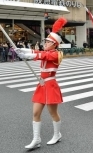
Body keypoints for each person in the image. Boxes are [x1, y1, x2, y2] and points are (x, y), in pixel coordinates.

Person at [16, 17, 67, 149]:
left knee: (53, 113)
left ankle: (57, 134)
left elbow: (40, 55)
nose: (45, 43)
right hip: (42, 85)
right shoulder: (46, 52)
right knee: (35, 113)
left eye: (49, 41)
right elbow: (38, 53)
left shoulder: (56, 54)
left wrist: (27, 55)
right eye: (46, 40)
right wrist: (22, 51)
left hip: (50, 85)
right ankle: (36, 139)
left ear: (55, 44)